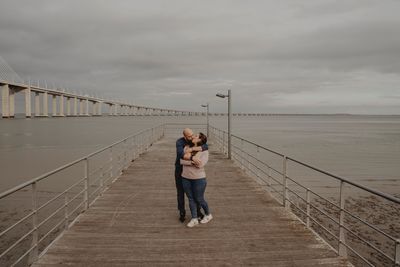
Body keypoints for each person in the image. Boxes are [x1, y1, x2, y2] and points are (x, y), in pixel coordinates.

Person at [175, 128, 208, 222]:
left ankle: (198, 212)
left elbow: (205, 146)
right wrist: (193, 158)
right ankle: (182, 212)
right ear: (184, 136)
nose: (192, 137)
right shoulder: (179, 142)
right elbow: (181, 154)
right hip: (179, 169)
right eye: (189, 136)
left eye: (193, 135)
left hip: (193, 172)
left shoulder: (192, 142)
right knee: (180, 192)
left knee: (194, 193)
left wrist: (193, 149)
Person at [180, 132, 213, 228]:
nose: (193, 136)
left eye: (196, 136)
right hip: (185, 177)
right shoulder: (186, 148)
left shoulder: (204, 151)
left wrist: (188, 161)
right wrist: (193, 161)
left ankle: (208, 214)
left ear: (200, 140)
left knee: (199, 198)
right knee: (190, 198)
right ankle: (194, 218)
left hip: (199, 179)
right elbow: (181, 160)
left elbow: (200, 164)